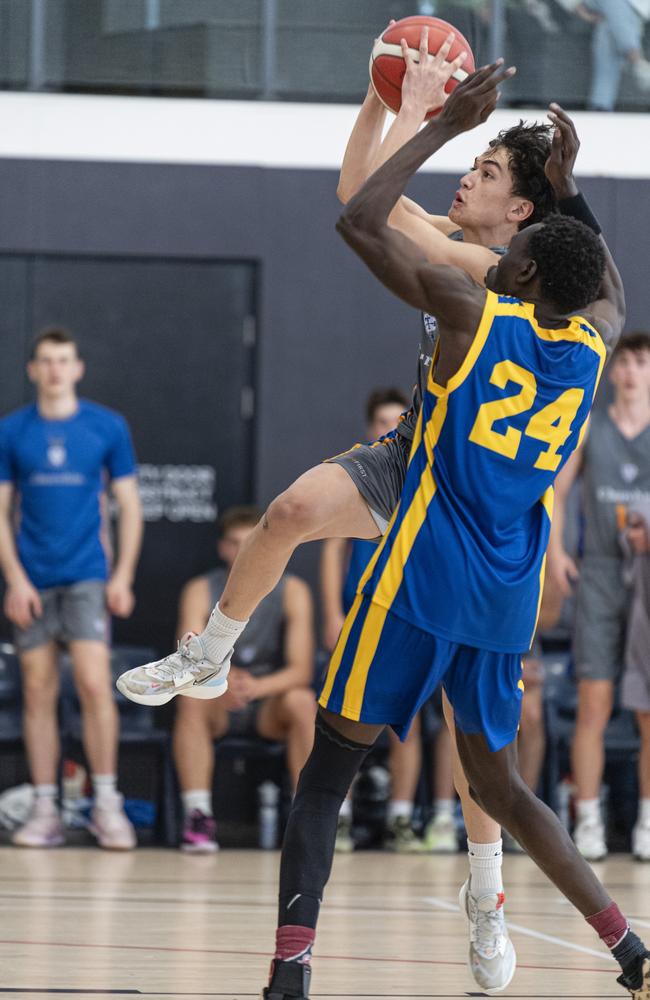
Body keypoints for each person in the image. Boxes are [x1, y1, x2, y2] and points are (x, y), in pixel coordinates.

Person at [118, 28, 561, 993]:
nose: (463, 177)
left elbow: (367, 209)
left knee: (473, 747)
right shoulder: (454, 238)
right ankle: (209, 655)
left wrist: (424, 117)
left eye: (480, 169)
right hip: (411, 457)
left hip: (470, 504)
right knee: (282, 511)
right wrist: (381, 91)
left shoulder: (511, 276)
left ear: (518, 206)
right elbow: (354, 188)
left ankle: (485, 898)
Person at [259, 64, 650, 1000]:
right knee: (503, 786)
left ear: (517, 266)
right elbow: (605, 279)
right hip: (506, 591)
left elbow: (359, 221)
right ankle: (630, 950)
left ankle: (289, 973)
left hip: (422, 570)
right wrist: (570, 187)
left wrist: (441, 128)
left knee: (329, 771)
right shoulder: (597, 339)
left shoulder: (475, 314)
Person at [0, 327, 143, 849]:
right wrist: (14, 579)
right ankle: (44, 809)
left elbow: (129, 506)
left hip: (87, 575)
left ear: (77, 368)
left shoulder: (106, 427)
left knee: (91, 683)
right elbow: (1, 511)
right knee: (37, 689)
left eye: (64, 360)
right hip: (32, 581)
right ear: (33, 370)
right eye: (46, 361)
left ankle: (106, 803)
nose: (55, 369)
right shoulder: (12, 431)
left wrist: (122, 574)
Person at [321, 387, 457, 854]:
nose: (387, 428)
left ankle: (401, 818)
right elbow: (332, 545)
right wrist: (332, 611)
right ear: (369, 427)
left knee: (409, 722)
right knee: (343, 714)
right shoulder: (365, 471)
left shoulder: (427, 479)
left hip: (410, 614)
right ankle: (336, 815)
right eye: (380, 421)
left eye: (394, 421)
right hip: (362, 609)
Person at [549, 331, 650, 861]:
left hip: (648, 574)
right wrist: (557, 551)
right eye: (625, 362)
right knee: (594, 702)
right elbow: (557, 491)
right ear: (612, 372)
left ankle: (646, 826)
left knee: (649, 712)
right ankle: (587, 818)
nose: (631, 371)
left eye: (641, 362)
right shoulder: (591, 427)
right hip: (602, 573)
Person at [172, 505, 317, 853]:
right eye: (234, 543)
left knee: (302, 700)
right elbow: (185, 657)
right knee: (188, 696)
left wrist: (256, 687)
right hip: (214, 694)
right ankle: (198, 816)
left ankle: (311, 821)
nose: (242, 551)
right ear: (223, 548)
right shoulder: (200, 589)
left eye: (250, 542)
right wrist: (220, 681)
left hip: (266, 700)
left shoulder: (292, 589)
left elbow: (301, 670)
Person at [557, 0, 650, 110]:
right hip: (601, 7)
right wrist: (578, 7)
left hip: (629, 12)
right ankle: (636, 59)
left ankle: (600, 107)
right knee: (613, 6)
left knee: (606, 31)